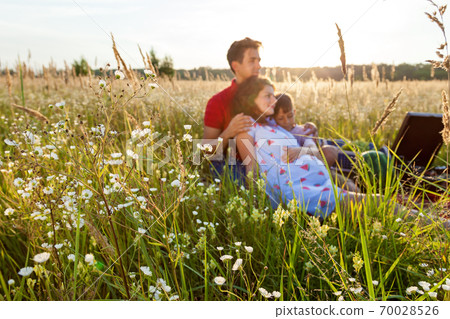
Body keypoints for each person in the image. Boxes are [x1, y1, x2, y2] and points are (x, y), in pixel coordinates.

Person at [233, 76, 423, 220]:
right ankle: (439, 225)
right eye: (268, 96)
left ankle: (427, 219)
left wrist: (310, 129)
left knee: (369, 199)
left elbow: (300, 131)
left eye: (273, 95)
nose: (274, 101)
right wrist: (258, 211)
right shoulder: (247, 126)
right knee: (379, 203)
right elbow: (252, 167)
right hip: (299, 191)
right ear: (250, 99)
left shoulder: (272, 124)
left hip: (313, 179)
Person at [202, 37, 262, 181]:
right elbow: (206, 152)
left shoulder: (267, 94)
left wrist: (304, 130)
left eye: (259, 61)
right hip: (238, 164)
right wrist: (229, 132)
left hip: (272, 157)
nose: (258, 66)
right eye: (252, 61)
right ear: (236, 66)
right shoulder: (217, 102)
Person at [271, 93, 338, 168]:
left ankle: (324, 173)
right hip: (290, 169)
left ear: (294, 112)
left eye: (290, 116)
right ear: (273, 118)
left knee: (330, 151)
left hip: (313, 166)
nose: (286, 121)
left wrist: (300, 151)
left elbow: (314, 149)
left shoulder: (303, 131)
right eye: (280, 118)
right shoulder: (273, 130)